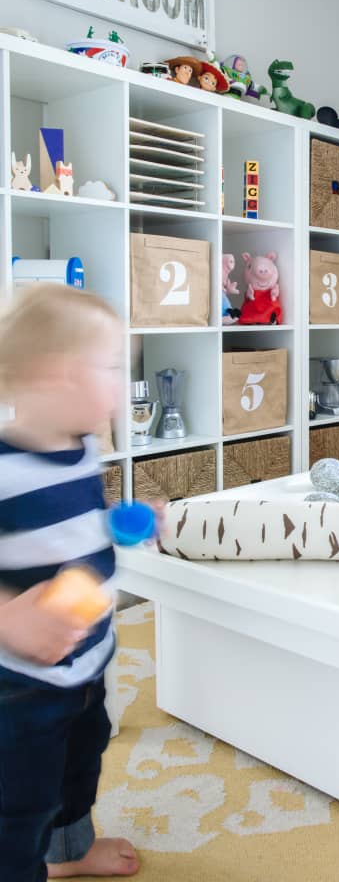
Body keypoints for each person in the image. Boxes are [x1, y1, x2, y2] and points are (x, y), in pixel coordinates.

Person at [0, 284, 139, 880]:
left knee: (80, 766)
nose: (120, 382)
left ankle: (69, 854)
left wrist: (123, 523)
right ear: (59, 376)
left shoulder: (82, 450)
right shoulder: (5, 469)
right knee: (19, 801)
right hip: (20, 685)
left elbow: (69, 527)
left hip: (86, 661)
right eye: (110, 367)